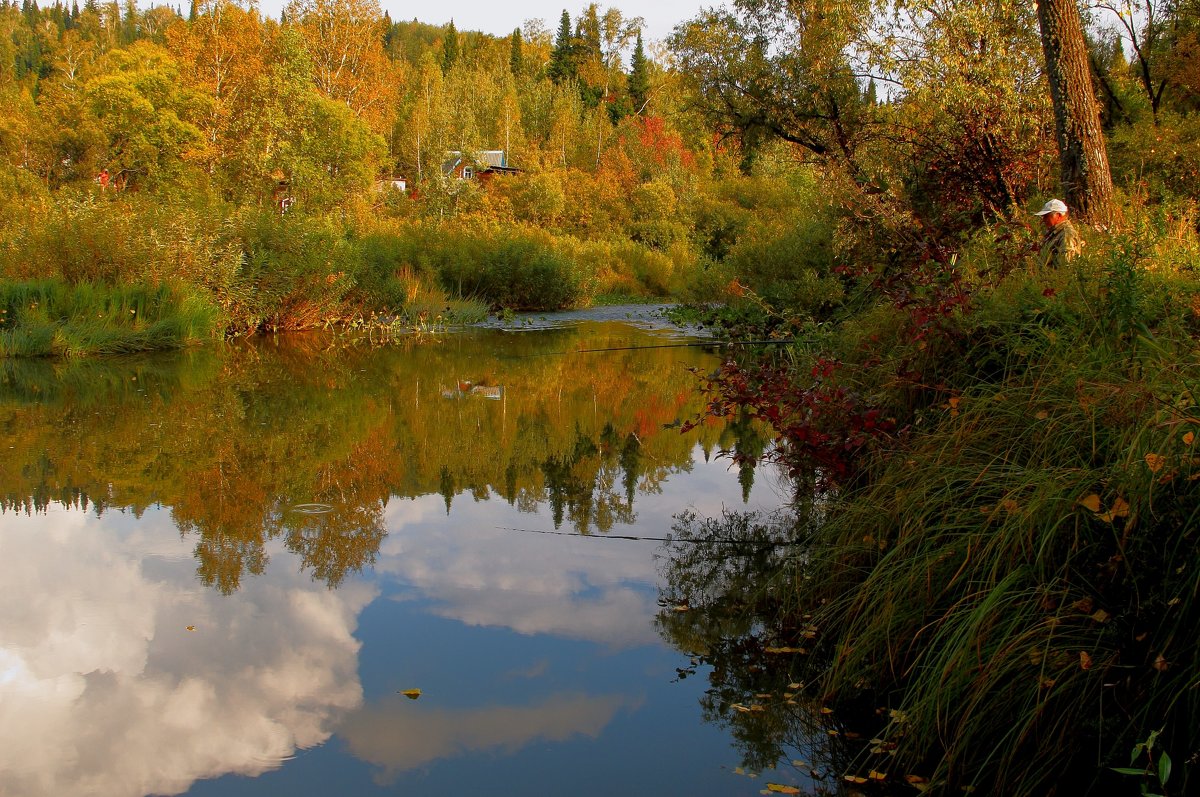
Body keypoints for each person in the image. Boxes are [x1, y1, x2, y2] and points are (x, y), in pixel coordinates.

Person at [1034, 198, 1082, 267]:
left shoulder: (1066, 234)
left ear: (1058, 215)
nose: (1043, 220)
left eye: (1046, 216)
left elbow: (1066, 265)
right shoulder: (1055, 233)